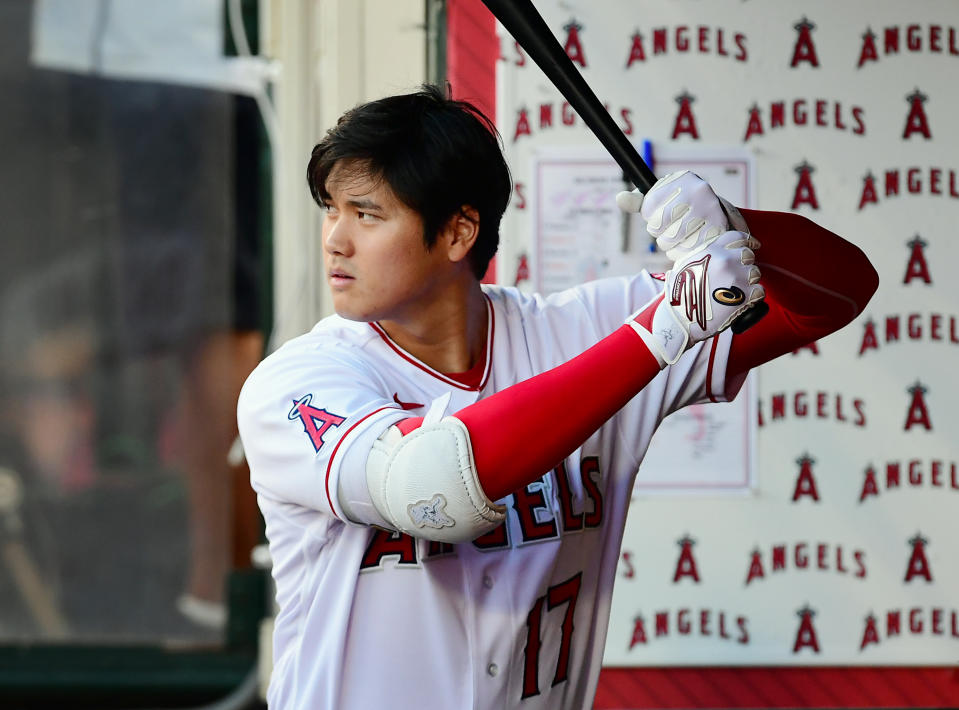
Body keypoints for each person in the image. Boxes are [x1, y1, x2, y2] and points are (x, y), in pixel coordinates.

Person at [237, 84, 878, 709]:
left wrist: (740, 230)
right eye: (331, 208)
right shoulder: (297, 382)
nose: (334, 239)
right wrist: (657, 334)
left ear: (459, 233)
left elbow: (840, 292)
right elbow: (430, 489)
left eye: (366, 214)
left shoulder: (582, 331)